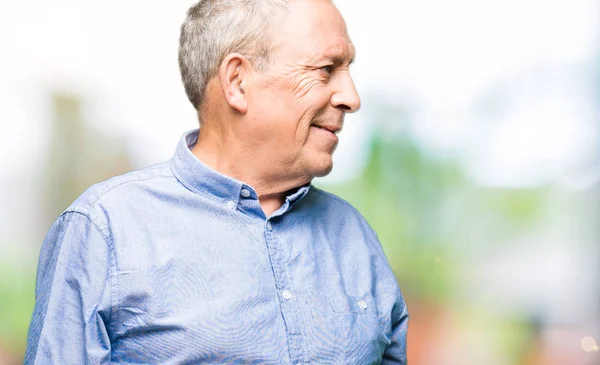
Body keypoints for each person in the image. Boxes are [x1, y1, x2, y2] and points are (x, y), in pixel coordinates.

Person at [25, 0, 409, 363]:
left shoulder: (355, 238)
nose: (351, 97)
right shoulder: (104, 232)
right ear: (238, 81)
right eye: (326, 69)